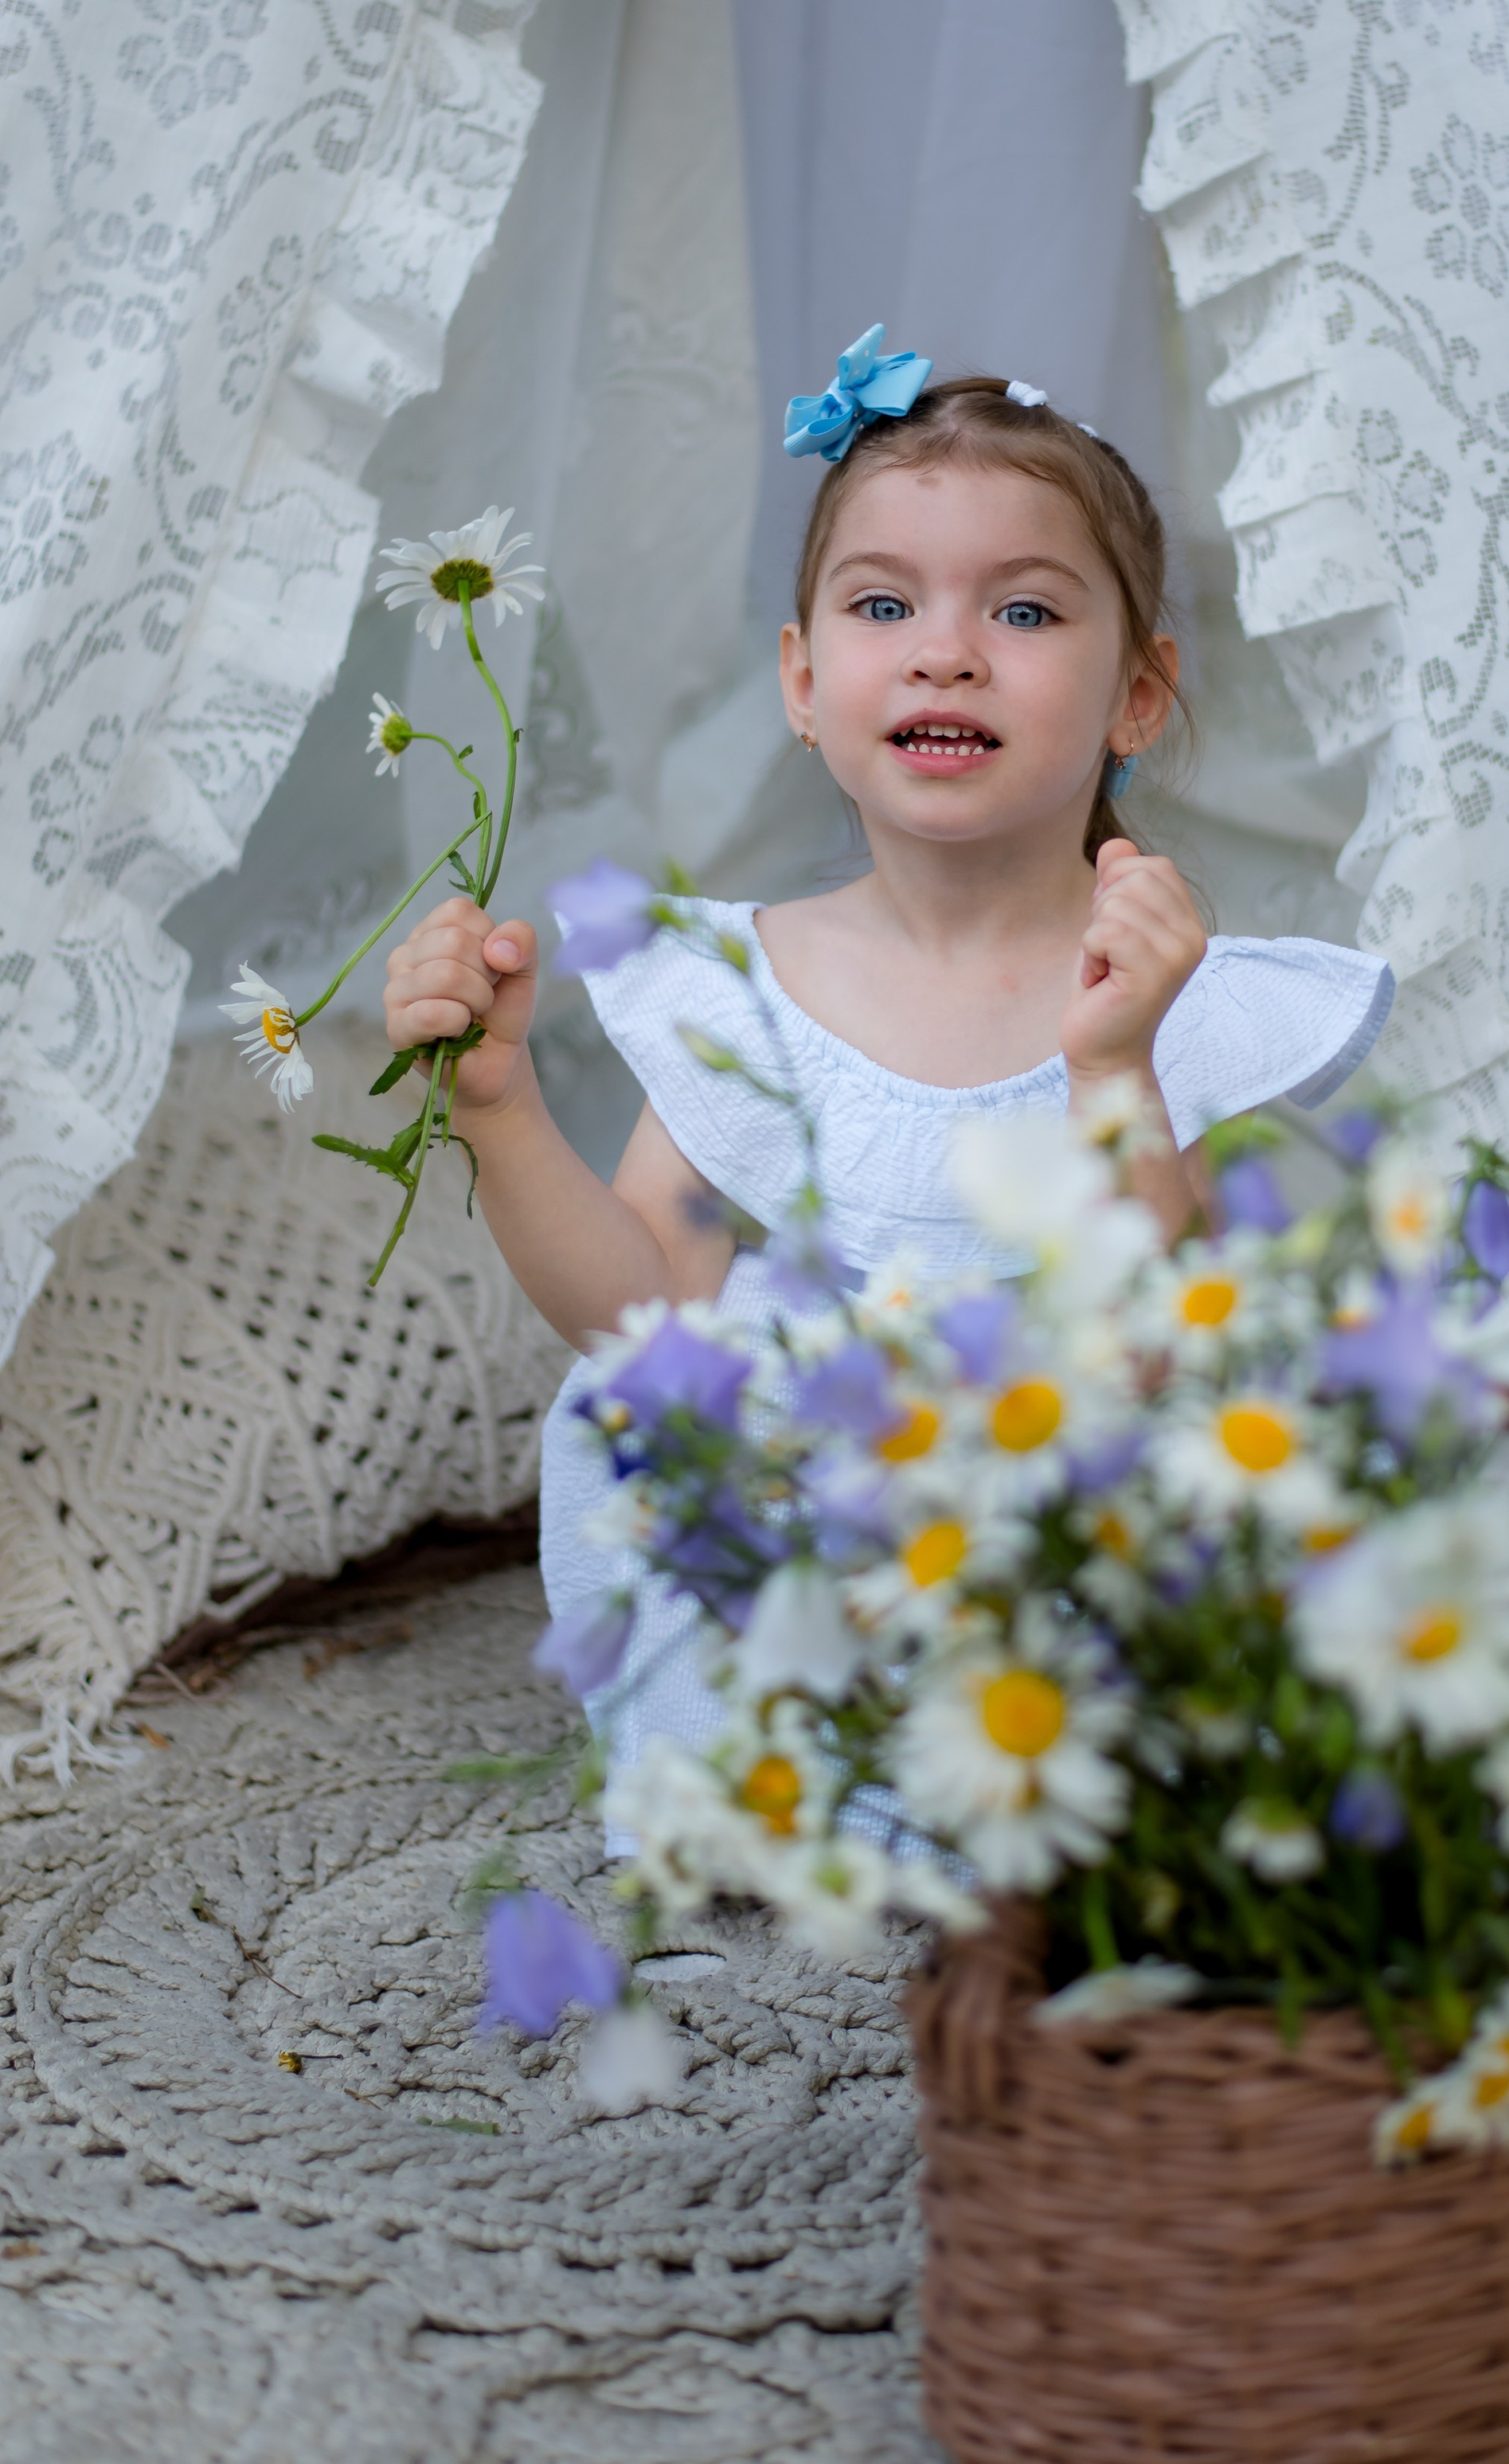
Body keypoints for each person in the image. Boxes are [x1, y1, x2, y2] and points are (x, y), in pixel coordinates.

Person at [381, 340, 1395, 1773]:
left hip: (1060, 1526)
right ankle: (787, 1768)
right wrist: (498, 1107)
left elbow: (1172, 1353)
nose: (945, 649)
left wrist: (1115, 1066)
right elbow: (640, 1319)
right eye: (881, 603)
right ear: (803, 683)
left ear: (1138, 696)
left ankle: (1074, 1788)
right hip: (817, 1533)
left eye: (1028, 609)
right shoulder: (743, 987)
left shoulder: (1173, 997)